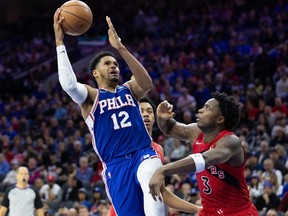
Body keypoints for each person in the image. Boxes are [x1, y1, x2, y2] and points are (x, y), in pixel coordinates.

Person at [53, 8, 164, 215]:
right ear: (95, 72)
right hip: (115, 165)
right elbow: (68, 85)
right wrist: (60, 42)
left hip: (143, 152)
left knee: (152, 185)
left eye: (115, 64)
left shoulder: (129, 89)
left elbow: (146, 83)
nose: (114, 66)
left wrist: (120, 48)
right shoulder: (91, 97)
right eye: (107, 64)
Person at [149, 91, 259, 215]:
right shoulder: (195, 131)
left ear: (220, 119)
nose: (200, 110)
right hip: (208, 212)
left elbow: (205, 159)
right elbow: (170, 128)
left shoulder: (231, 141)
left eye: (207, 108)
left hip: (237, 212)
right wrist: (162, 118)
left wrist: (163, 170)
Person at [109, 97, 202, 215]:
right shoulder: (120, 146)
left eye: (149, 112)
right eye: (141, 111)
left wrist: (197, 209)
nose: (146, 115)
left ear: (154, 118)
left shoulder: (158, 149)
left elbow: (160, 192)